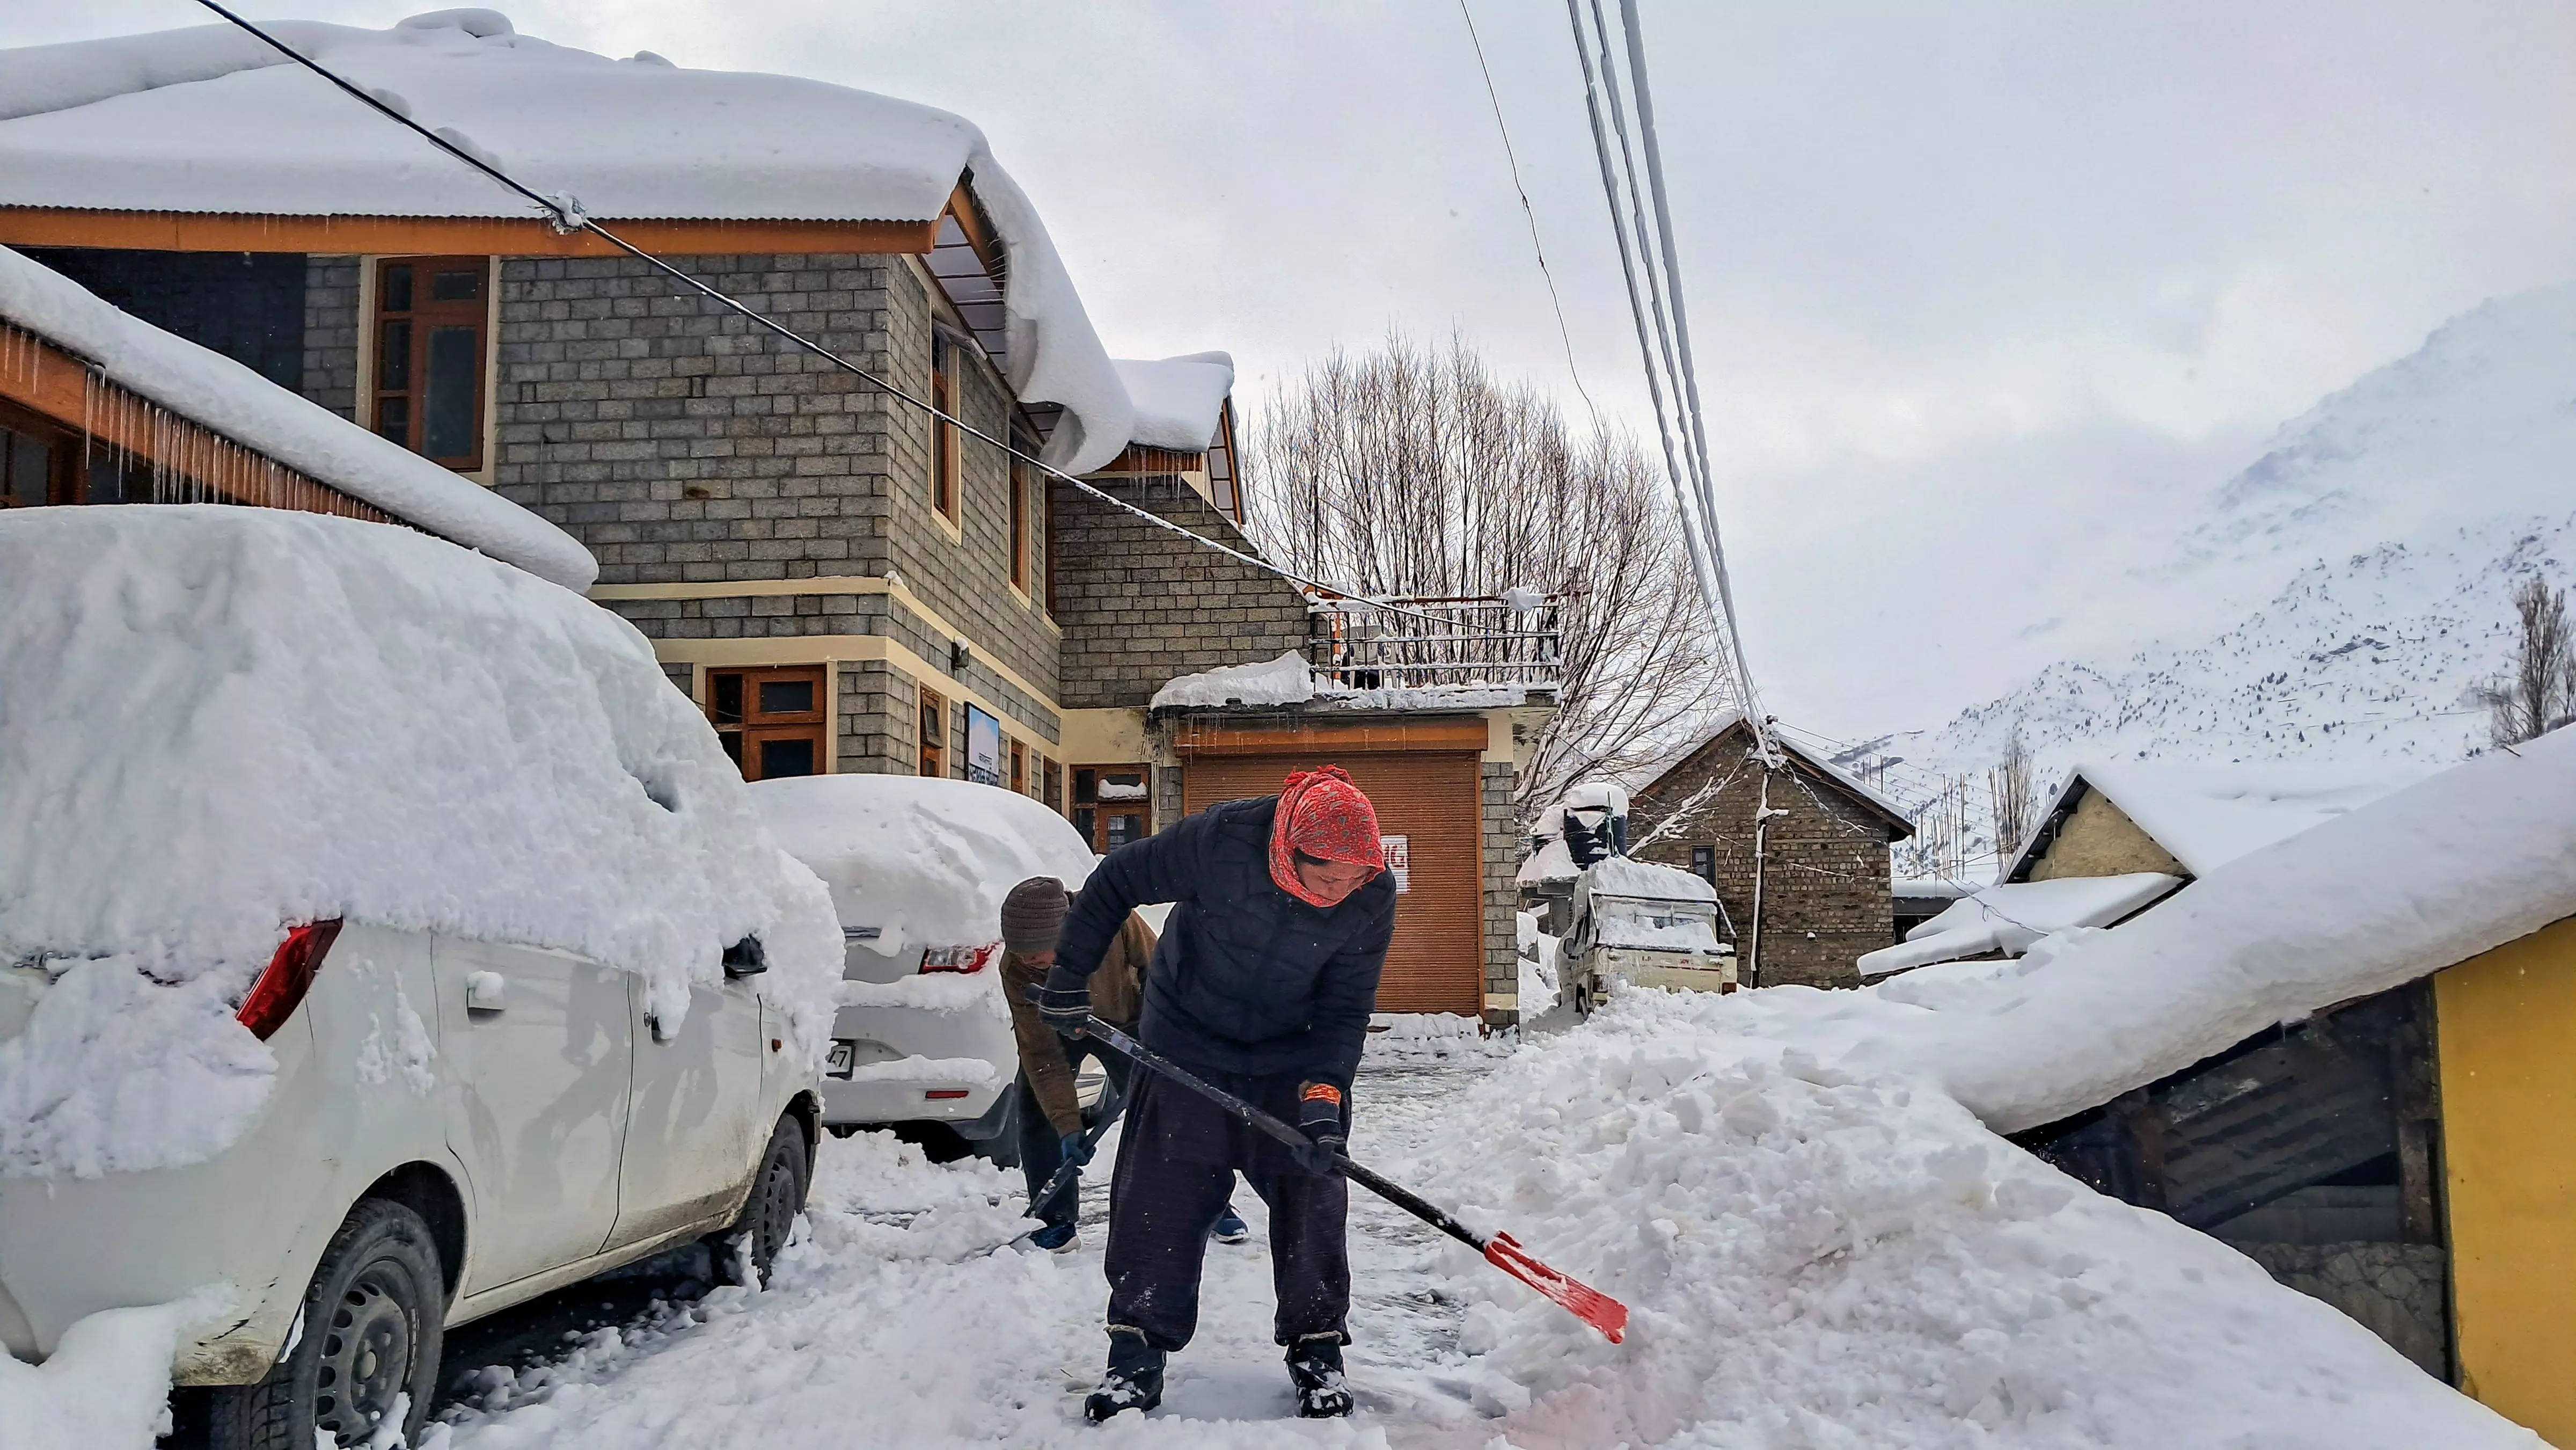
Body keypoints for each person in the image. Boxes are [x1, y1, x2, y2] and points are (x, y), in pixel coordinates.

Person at [1037, 766, 1396, 1422]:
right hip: (1186, 1043)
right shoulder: (1223, 840)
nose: (1340, 893)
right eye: (1327, 878)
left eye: (1356, 879)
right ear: (1289, 849)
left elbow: (1346, 1009)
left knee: (1315, 1186)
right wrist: (1069, 973)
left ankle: (1317, 1348)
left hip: (1291, 1055)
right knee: (1158, 1198)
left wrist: (1323, 1100)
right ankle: (1136, 1354)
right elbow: (1116, 881)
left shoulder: (1371, 896)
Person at [996, 879, 1248, 1252]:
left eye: (1039, 954)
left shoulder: (1112, 919)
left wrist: (1165, 1035)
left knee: (1170, 1106)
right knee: (1035, 1107)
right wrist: (1067, 1125)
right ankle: (1055, 1219)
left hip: (1128, 1018)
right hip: (1060, 1027)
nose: (1032, 964)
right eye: (1024, 956)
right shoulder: (1018, 970)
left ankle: (1211, 1203)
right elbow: (1041, 1054)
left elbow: (1163, 972)